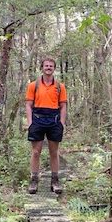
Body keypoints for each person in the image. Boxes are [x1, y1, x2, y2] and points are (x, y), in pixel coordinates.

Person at [25, 58, 67, 194]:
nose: (48, 68)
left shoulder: (60, 87)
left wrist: (62, 122)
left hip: (54, 120)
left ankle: (55, 181)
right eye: (46, 65)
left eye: (51, 66)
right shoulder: (33, 85)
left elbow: (63, 106)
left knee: (54, 152)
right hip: (37, 119)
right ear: (42, 67)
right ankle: (34, 180)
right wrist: (30, 122)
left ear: (54, 68)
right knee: (36, 152)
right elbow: (28, 105)